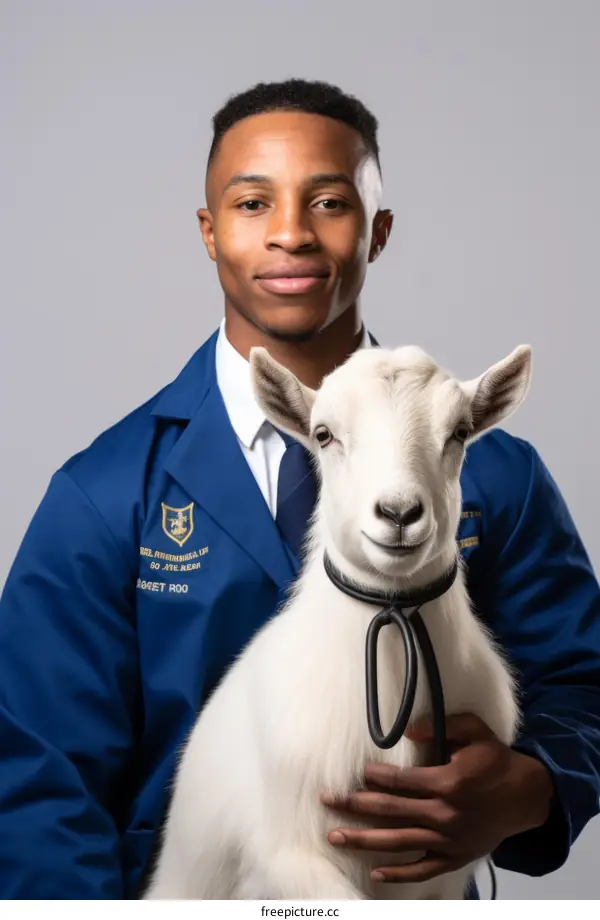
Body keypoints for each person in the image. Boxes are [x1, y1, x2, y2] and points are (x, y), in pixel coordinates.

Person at [1, 78, 599, 901]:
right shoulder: (105, 495)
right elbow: (39, 771)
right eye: (252, 204)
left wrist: (534, 784)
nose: (290, 234)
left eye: (328, 202)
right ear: (209, 234)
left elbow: (582, 679)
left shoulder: (497, 476)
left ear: (378, 232)